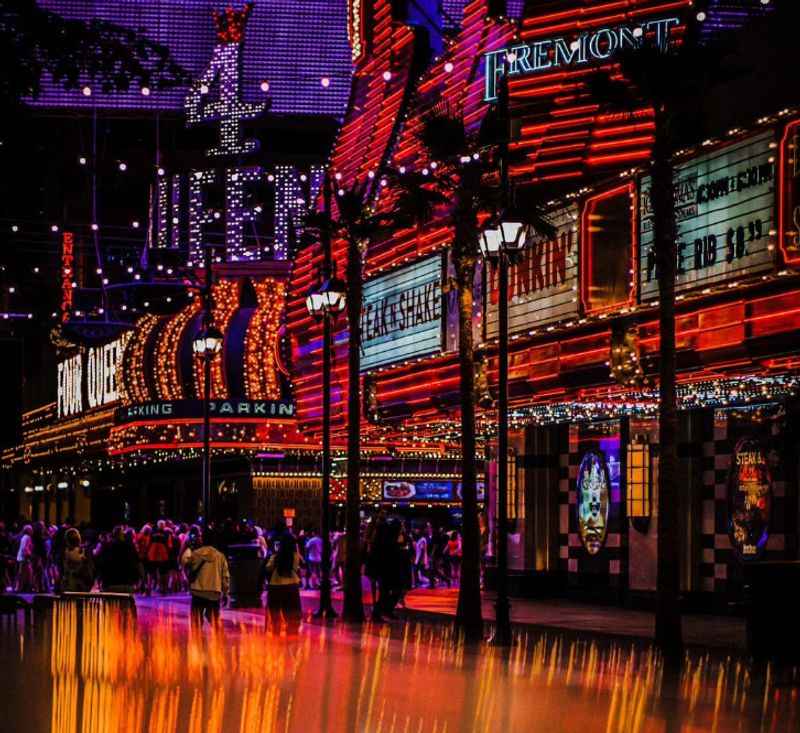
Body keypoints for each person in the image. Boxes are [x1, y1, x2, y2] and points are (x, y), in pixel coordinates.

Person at [181, 527, 229, 628]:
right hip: (214, 592)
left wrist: (189, 548)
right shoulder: (220, 556)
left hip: (198, 591)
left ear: (203, 539)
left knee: (196, 620)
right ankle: (218, 639)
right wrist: (225, 593)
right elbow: (225, 577)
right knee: (214, 619)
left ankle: (197, 641)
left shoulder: (196, 554)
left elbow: (184, 562)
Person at [264, 532, 303, 636]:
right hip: (291, 586)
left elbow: (268, 568)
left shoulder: (275, 556)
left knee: (276, 612)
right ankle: (291, 634)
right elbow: (295, 568)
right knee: (290, 612)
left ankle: (276, 634)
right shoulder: (295, 556)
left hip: (276, 586)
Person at [97, 526, 142, 593]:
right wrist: (138, 580)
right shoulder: (129, 546)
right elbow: (136, 563)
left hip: (110, 582)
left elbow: (102, 564)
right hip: (127, 582)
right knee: (126, 602)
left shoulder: (107, 546)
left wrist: (101, 581)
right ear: (122, 534)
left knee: (112, 603)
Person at [61, 528, 93, 592]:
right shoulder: (84, 552)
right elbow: (90, 569)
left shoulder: (65, 552)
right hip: (82, 585)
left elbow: (64, 570)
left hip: (69, 585)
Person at [15, 524, 33, 591]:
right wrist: (29, 555)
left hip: (22, 557)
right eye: (31, 529)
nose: (32, 530)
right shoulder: (27, 537)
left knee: (24, 573)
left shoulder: (24, 537)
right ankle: (19, 587)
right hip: (24, 558)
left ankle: (21, 587)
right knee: (22, 573)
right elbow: (25, 548)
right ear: (28, 530)